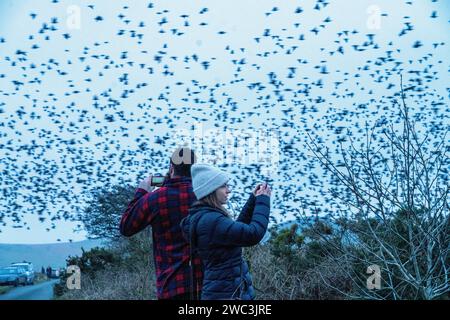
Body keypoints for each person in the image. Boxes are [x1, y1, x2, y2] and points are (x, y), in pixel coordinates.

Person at [119, 147, 203, 300]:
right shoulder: (204, 195)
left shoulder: (155, 199)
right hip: (205, 283)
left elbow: (126, 226)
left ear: (171, 168)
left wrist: (142, 191)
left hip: (171, 285)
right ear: (194, 169)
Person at [181, 164, 271, 300]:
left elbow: (236, 231)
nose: (228, 190)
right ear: (210, 190)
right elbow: (253, 234)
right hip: (227, 294)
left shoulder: (205, 218)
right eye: (223, 186)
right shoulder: (212, 221)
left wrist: (253, 200)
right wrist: (263, 201)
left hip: (222, 291)